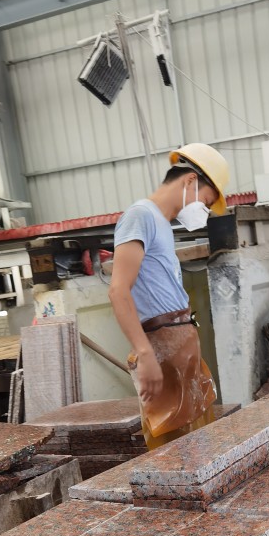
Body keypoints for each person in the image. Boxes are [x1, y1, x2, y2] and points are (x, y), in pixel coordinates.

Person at [108, 143, 229, 449]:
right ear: (190, 181)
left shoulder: (162, 224)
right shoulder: (140, 216)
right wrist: (145, 353)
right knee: (173, 452)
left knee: (198, 448)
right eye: (206, 201)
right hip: (160, 349)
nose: (203, 210)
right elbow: (118, 291)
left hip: (179, 346)